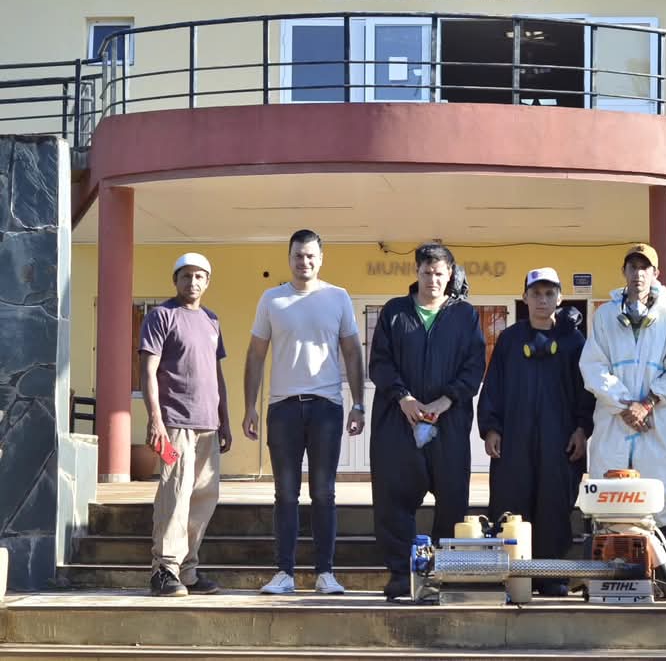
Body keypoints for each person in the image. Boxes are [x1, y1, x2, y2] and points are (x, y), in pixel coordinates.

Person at [242, 229, 365, 595]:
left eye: (311, 255)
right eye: (298, 255)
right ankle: (284, 573)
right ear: (289, 258)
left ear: (321, 259)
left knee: (324, 493)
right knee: (285, 494)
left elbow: (353, 351)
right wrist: (249, 406)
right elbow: (255, 355)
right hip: (283, 409)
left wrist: (358, 404)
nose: (304, 261)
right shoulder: (272, 299)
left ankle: (326, 573)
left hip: (327, 407)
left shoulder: (338, 297)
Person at [369, 243, 486, 600]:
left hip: (449, 422)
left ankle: (442, 574)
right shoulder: (395, 312)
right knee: (393, 498)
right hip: (398, 421)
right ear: (416, 273)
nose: (432, 279)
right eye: (426, 272)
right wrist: (403, 397)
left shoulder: (464, 316)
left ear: (449, 275)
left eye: (438, 273)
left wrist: (446, 400)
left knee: (452, 499)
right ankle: (402, 573)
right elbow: (380, 362)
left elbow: (474, 365)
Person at [478, 267, 595, 597]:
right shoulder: (510, 339)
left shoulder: (574, 341)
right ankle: (512, 575)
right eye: (536, 293)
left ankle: (550, 575)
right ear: (525, 298)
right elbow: (493, 386)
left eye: (549, 293)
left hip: (559, 440)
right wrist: (491, 428)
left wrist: (582, 429)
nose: (542, 300)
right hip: (514, 438)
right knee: (510, 505)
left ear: (559, 298)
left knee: (554, 507)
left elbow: (586, 391)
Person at [579, 243, 666, 529]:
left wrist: (646, 404)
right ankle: (607, 551)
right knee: (608, 493)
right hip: (613, 420)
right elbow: (593, 366)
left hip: (653, 420)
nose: (638, 274)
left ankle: (652, 553)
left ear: (656, 273)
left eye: (645, 268)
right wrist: (623, 405)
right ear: (624, 271)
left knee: (654, 495)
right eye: (633, 267)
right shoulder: (605, 315)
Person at [140, 252, 231, 597]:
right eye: (186, 275)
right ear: (175, 280)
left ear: (207, 281)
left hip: (208, 425)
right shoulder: (161, 316)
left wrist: (224, 420)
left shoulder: (211, 320)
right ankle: (164, 570)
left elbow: (216, 375)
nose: (192, 281)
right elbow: (148, 371)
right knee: (174, 494)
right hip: (174, 424)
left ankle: (188, 570)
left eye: (199, 276)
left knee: (204, 498)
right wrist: (155, 419)